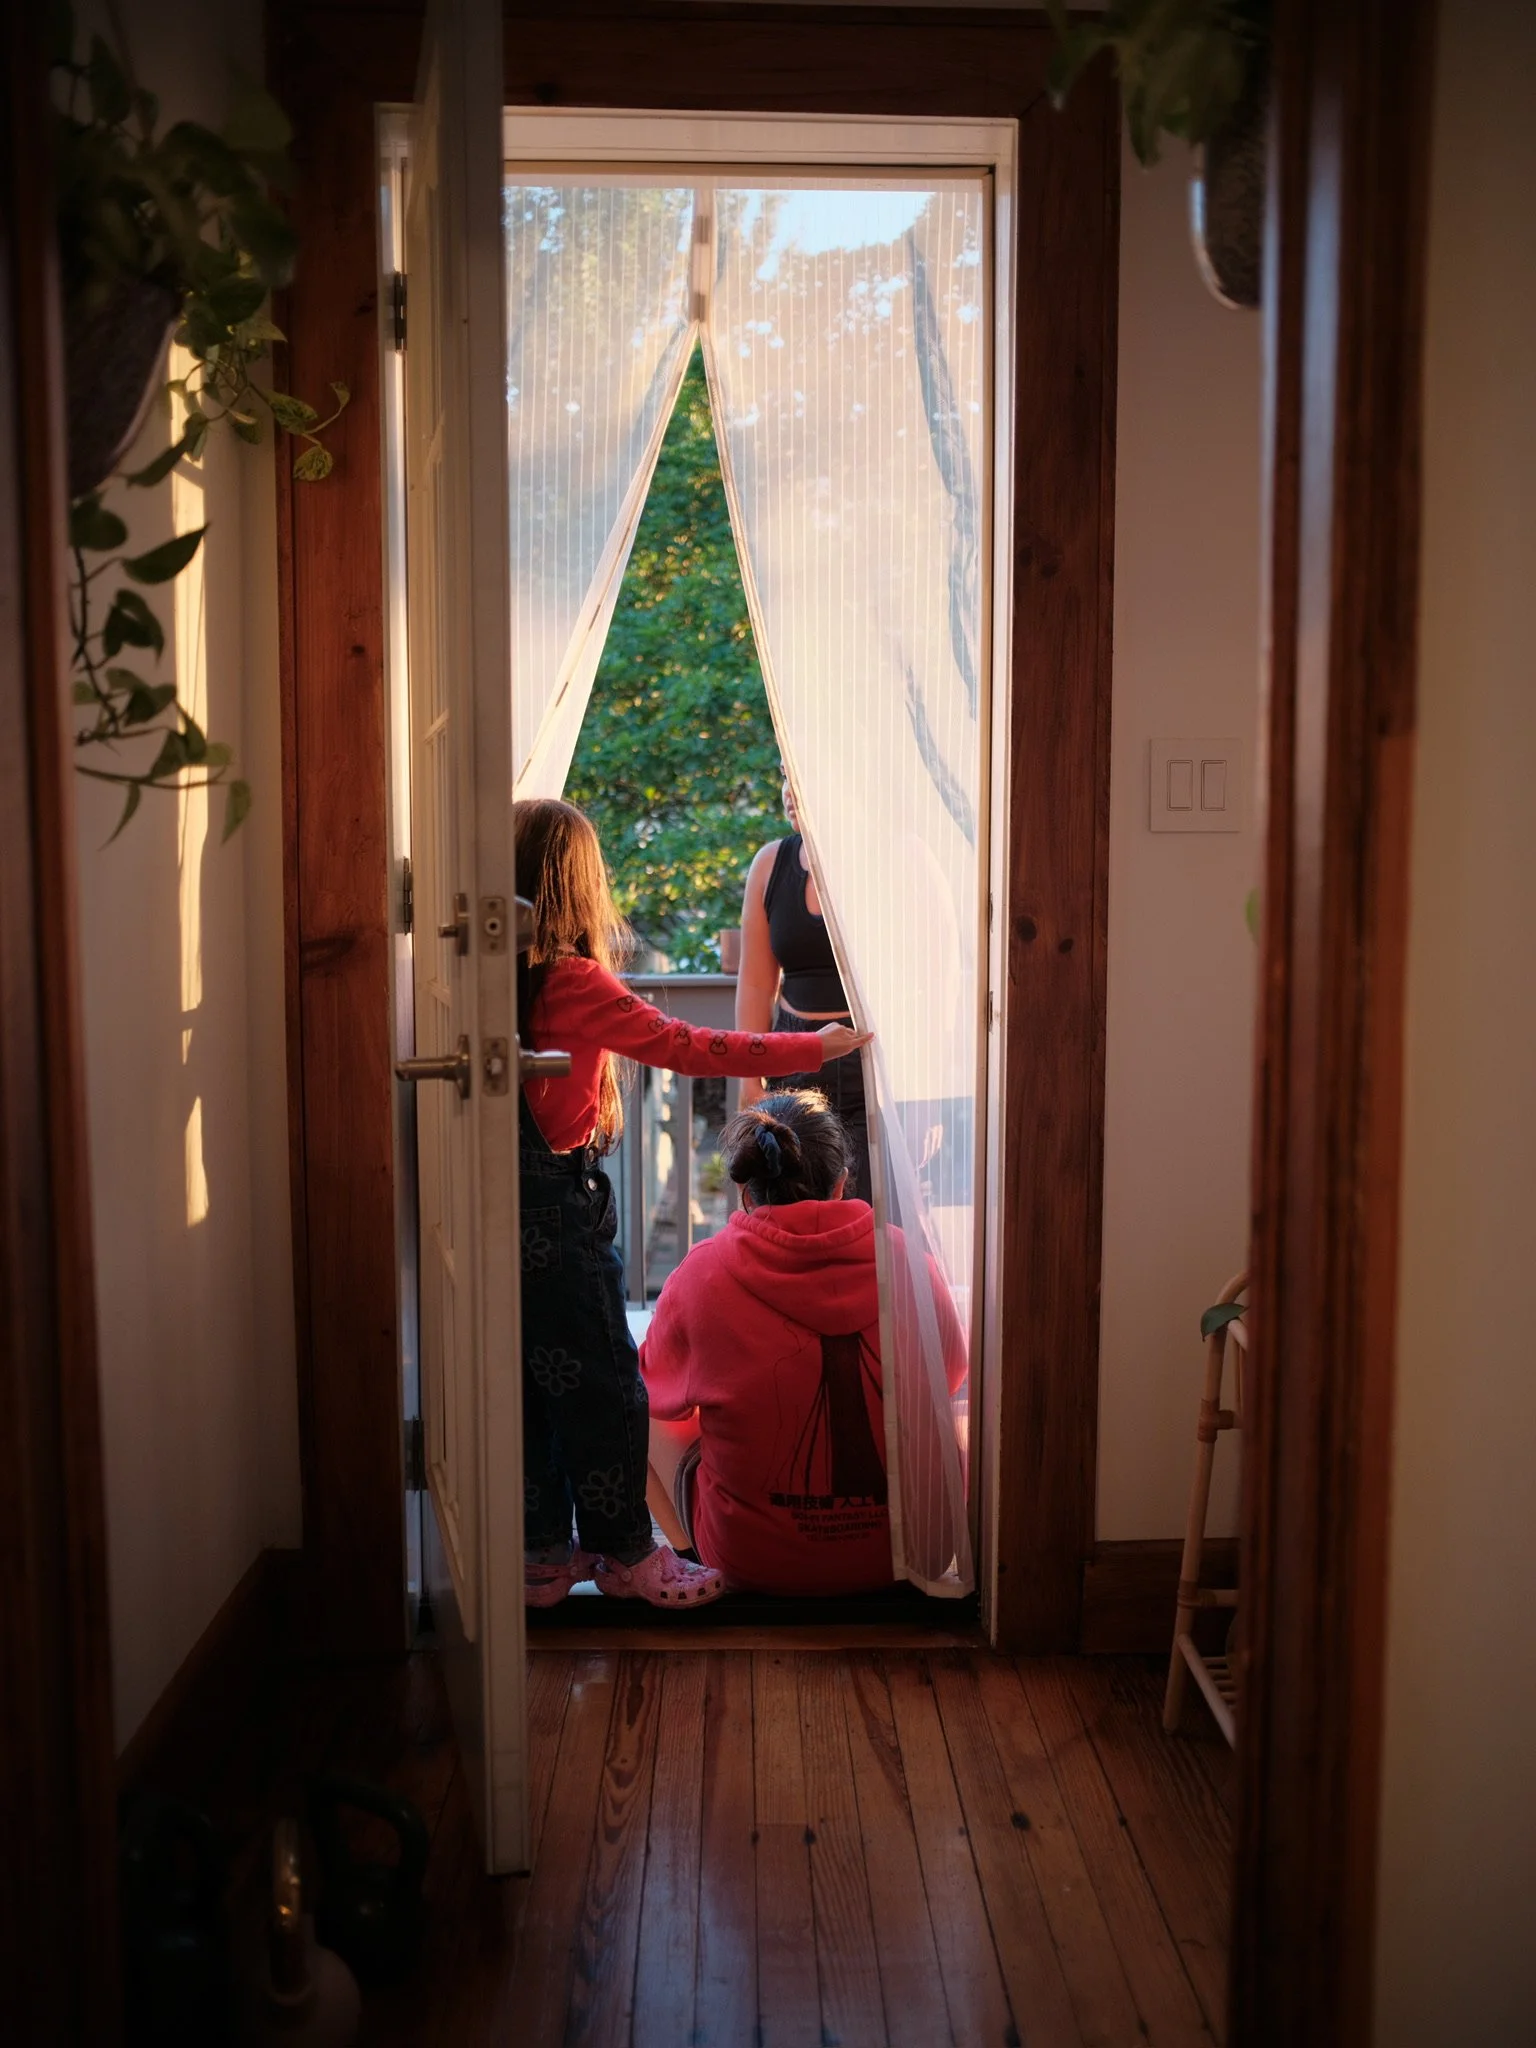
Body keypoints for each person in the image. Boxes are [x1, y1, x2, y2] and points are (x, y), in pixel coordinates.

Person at [514, 798, 871, 1611]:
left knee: (536, 1381)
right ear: (579, 885)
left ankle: (539, 1557)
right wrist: (810, 1050)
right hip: (557, 1210)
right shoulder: (575, 982)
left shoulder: (497, 979)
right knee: (606, 1380)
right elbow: (689, 1045)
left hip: (510, 1199)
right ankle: (626, 1555)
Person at [640, 1089, 968, 1598]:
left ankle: (690, 1561)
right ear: (841, 1182)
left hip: (753, 1563)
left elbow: (650, 1391)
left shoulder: (701, 1275)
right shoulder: (905, 1258)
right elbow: (949, 1374)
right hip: (913, 1556)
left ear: (749, 1191)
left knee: (649, 1408)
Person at [735, 773, 873, 1203]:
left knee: (862, 1223)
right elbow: (757, 983)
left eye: (799, 773)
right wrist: (749, 1078)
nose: (788, 792)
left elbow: (932, 983)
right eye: (781, 775)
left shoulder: (890, 856)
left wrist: (922, 1098)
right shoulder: (770, 864)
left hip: (869, 1072)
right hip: (789, 1070)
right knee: (782, 1218)